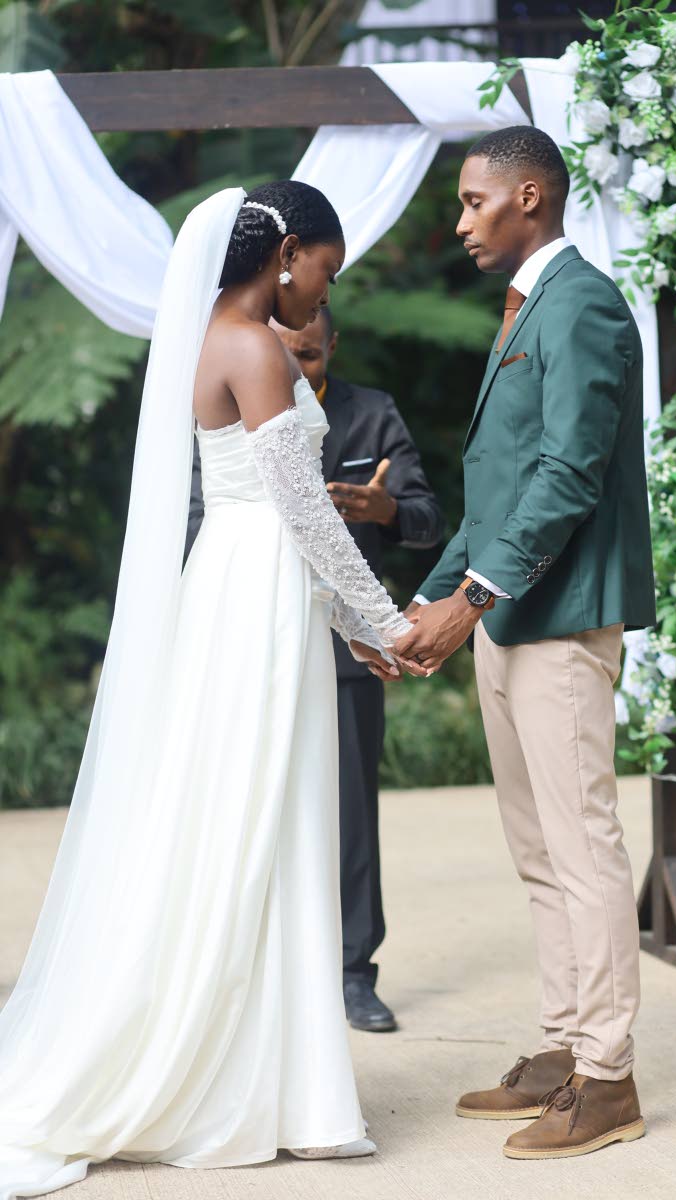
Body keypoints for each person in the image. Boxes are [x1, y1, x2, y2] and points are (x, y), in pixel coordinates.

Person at [0, 181, 426, 1200]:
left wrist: (348, 628)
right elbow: (306, 517)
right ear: (287, 255)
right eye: (326, 265)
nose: (327, 288)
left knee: (263, 826)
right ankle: (251, 1085)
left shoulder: (212, 339)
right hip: (256, 596)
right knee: (254, 825)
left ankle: (282, 1085)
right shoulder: (256, 347)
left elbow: (276, 525)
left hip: (248, 583)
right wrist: (390, 623)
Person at [395, 126, 656, 1161]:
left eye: (472, 202)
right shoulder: (524, 310)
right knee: (540, 852)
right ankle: (560, 1050)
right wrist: (423, 605)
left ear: (531, 197)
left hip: (556, 619)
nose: (460, 224)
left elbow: (566, 474)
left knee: (582, 848)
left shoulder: (582, 303)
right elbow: (495, 488)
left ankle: (608, 1078)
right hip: (506, 616)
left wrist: (475, 596)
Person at [186, 308, 443, 1033]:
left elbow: (431, 518)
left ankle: (355, 974)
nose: (296, 367)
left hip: (347, 650)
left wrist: (386, 508)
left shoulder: (372, 414)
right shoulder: (234, 396)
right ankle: (261, 971)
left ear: (333, 343)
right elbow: (200, 513)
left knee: (352, 814)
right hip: (260, 630)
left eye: (309, 352)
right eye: (286, 353)